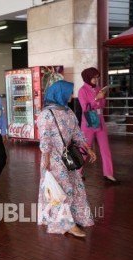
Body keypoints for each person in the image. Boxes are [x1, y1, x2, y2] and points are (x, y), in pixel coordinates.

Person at [36, 80, 97, 238]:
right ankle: (65, 224)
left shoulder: (68, 111)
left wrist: (88, 149)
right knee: (62, 190)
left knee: (75, 187)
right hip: (54, 158)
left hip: (67, 157)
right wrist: (47, 159)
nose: (72, 95)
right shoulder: (45, 115)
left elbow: (77, 133)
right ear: (60, 93)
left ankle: (77, 216)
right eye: (69, 92)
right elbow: (45, 139)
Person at [78, 67, 117, 183]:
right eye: (94, 77)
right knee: (84, 148)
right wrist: (96, 99)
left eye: (97, 77)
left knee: (105, 148)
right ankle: (77, 173)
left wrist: (101, 98)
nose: (96, 79)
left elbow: (102, 105)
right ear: (87, 77)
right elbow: (85, 107)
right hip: (88, 121)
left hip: (100, 120)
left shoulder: (99, 88)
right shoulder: (82, 90)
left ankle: (108, 174)